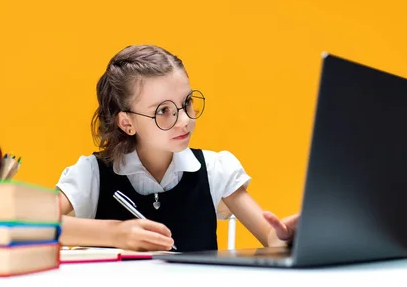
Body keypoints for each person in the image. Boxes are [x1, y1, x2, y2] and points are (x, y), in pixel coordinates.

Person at [56, 44, 299, 252]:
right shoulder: (92, 174)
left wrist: (287, 237)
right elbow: (29, 225)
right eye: (163, 110)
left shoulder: (215, 169)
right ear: (127, 123)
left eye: (186, 103)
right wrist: (115, 233)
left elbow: (271, 238)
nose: (184, 120)